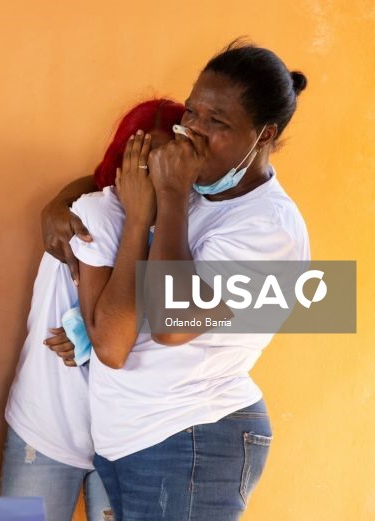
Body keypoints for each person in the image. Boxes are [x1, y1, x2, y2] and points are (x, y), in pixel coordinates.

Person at [43, 42, 309, 520]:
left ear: (264, 135)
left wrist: (169, 194)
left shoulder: (267, 228)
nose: (193, 132)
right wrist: (61, 201)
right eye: (193, 111)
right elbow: (110, 185)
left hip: (192, 438)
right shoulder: (208, 189)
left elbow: (171, 322)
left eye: (218, 123)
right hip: (134, 436)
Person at [1, 99, 184, 521]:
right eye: (139, 160)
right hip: (49, 423)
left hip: (126, 434)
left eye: (163, 162)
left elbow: (144, 332)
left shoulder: (178, 229)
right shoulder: (86, 214)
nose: (151, 175)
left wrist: (89, 332)